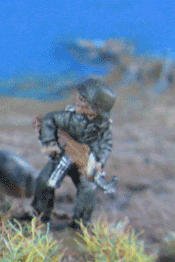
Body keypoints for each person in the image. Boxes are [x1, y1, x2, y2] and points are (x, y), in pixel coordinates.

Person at [32, 78, 116, 228]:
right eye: (80, 98)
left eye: (84, 100)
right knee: (45, 181)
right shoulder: (70, 116)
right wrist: (50, 143)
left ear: (96, 108)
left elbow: (106, 144)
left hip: (86, 161)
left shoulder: (103, 126)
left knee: (88, 190)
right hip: (64, 156)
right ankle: (40, 219)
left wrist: (100, 162)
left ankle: (81, 224)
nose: (78, 101)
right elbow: (50, 120)